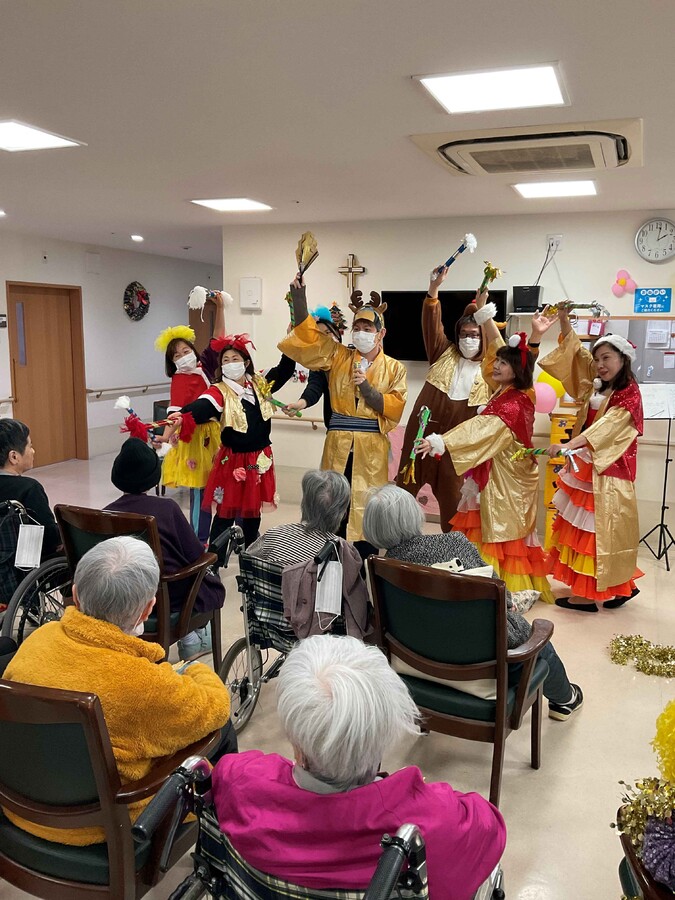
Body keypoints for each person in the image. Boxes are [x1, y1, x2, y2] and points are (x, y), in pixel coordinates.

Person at [211, 634, 505, 898]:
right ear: (385, 731)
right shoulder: (433, 823)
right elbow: (491, 829)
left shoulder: (238, 779)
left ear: (296, 742)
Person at [3, 536, 234, 845]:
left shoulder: (37, 640)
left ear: (75, 594)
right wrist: (194, 669)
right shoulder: (145, 684)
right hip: (100, 827)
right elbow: (216, 706)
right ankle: (223, 834)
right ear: (148, 608)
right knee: (221, 731)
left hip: (20, 807)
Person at [363, 485, 583, 720]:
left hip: (417, 665)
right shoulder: (454, 543)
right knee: (540, 645)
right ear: (414, 514)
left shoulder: (378, 568)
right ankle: (565, 700)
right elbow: (498, 591)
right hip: (484, 664)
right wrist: (509, 604)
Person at [418, 304, 553, 602]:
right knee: (487, 528)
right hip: (497, 474)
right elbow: (495, 349)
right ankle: (482, 584)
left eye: (503, 364)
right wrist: (487, 319)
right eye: (497, 362)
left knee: (500, 532)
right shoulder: (504, 392)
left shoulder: (513, 402)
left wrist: (443, 441)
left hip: (507, 479)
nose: (495, 365)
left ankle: (502, 591)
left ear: (516, 370)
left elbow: (482, 428)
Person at [279, 277, 407, 558]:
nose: (361, 333)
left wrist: (367, 389)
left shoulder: (394, 368)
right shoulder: (337, 356)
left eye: (367, 328)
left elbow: (394, 407)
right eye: (357, 328)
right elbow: (308, 338)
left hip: (371, 449)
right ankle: (330, 565)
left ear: (381, 333)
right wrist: (299, 296)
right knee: (331, 503)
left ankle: (365, 564)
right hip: (337, 444)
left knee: (367, 508)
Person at [537, 308, 644, 611]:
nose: (599, 365)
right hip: (590, 464)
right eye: (597, 359)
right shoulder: (598, 385)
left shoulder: (629, 393)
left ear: (623, 359)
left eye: (606, 358)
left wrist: (570, 444)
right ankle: (621, 587)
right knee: (599, 531)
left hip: (608, 470)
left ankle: (587, 596)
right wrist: (563, 320)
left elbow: (608, 428)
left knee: (596, 532)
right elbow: (576, 356)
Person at [169, 334, 296, 548]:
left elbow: (284, 369)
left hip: (258, 460)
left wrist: (292, 339)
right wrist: (182, 415)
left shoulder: (260, 383)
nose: (230, 364)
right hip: (233, 461)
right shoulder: (219, 391)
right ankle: (215, 559)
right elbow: (202, 406)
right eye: (225, 360)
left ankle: (249, 555)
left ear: (245, 362)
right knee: (225, 513)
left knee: (252, 513)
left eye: (235, 359)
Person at [105, 437, 225, 660]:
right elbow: (195, 553)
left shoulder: (106, 513)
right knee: (204, 577)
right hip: (167, 598)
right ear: (153, 476)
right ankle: (190, 636)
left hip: (122, 596)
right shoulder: (166, 509)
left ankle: (191, 637)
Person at [396, 265, 498, 528]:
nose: (468, 340)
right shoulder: (443, 353)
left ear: (483, 337)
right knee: (403, 494)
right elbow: (431, 324)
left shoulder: (491, 369)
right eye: (463, 335)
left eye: (474, 335)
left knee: (453, 505)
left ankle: (452, 549)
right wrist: (434, 288)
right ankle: (397, 539)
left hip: (454, 447)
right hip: (420, 436)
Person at [154, 291, 227, 542]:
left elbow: (218, 338)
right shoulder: (178, 380)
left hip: (214, 434)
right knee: (200, 490)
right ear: (171, 362)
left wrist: (220, 309)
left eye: (186, 350)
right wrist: (165, 437)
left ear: (194, 351)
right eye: (177, 355)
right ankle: (199, 539)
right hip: (194, 437)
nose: (183, 356)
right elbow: (175, 413)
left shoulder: (205, 367)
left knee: (221, 487)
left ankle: (222, 534)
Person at [0, 419, 62, 610]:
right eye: (30, 446)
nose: (33, 451)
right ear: (14, 457)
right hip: (20, 570)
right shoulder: (28, 488)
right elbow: (49, 537)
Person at [248, 468, 351, 566]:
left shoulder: (274, 535)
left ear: (304, 504)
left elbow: (246, 559)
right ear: (342, 514)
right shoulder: (344, 553)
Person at [282, 302, 347, 428]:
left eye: (328, 332)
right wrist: (300, 404)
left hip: (363, 429)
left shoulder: (353, 356)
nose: (325, 338)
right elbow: (314, 388)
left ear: (336, 332)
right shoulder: (319, 364)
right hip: (335, 429)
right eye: (320, 335)